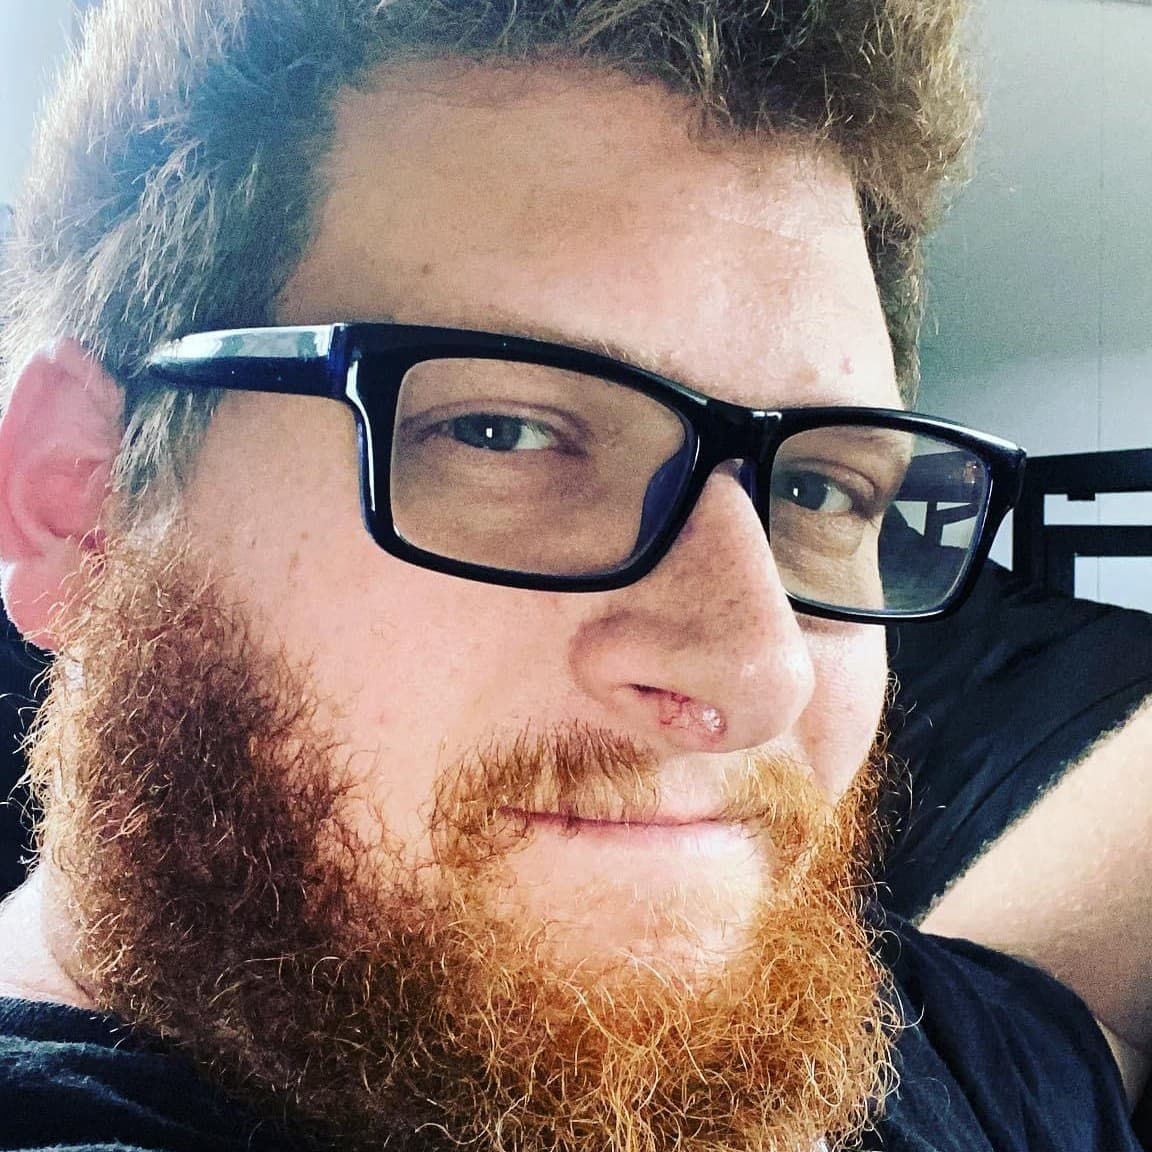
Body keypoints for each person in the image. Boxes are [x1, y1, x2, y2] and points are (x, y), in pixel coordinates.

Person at [0, 0, 1143, 1149]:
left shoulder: (898, 1048)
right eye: (504, 434)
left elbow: (1085, 1029)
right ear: (74, 499)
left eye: (819, 491)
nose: (759, 672)